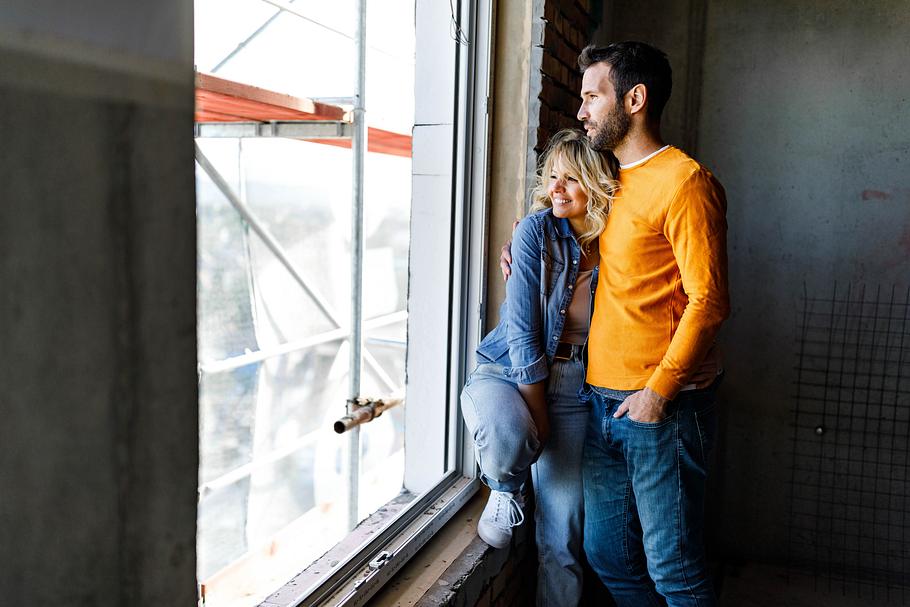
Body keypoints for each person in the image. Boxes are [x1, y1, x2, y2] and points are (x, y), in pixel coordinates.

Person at [501, 41, 729, 606]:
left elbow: (710, 299)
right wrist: (528, 246)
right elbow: (586, 244)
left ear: (634, 98)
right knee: (608, 555)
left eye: (591, 97)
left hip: (660, 407)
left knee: (674, 568)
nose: (581, 112)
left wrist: (659, 391)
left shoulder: (684, 181)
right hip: (602, 400)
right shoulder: (611, 182)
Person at [461, 128, 617, 607]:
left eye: (571, 178)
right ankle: (507, 489)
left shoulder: (618, 244)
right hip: (509, 371)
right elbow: (524, 332)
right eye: (551, 177)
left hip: (576, 387)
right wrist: (539, 414)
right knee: (511, 437)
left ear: (597, 182)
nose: (556, 189)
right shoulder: (536, 232)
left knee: (563, 540)